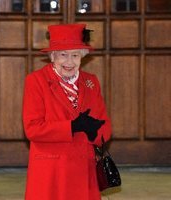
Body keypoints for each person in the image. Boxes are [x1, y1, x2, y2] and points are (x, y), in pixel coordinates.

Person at [22, 23, 112, 200]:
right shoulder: (36, 81)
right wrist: (71, 126)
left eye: (75, 55)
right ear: (52, 56)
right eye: (63, 55)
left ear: (82, 57)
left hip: (83, 169)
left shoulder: (91, 82)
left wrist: (95, 132)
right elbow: (32, 128)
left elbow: (105, 128)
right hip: (51, 171)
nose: (69, 62)